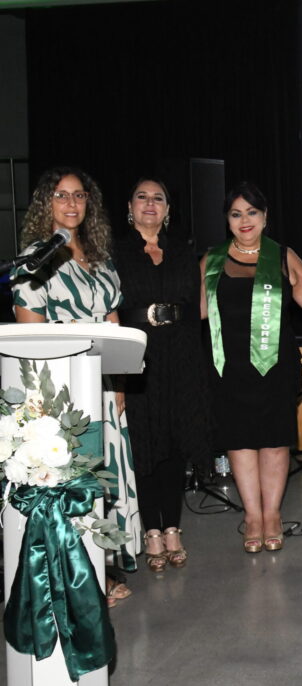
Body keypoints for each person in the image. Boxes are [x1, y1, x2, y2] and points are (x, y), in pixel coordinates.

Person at [11, 166, 142, 605]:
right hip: (60, 391)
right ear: (45, 203)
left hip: (101, 385)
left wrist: (119, 385)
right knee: (71, 482)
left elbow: (114, 324)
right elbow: (29, 333)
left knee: (102, 481)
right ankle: (74, 581)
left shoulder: (99, 258)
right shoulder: (36, 259)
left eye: (79, 195)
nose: (71, 203)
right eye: (61, 195)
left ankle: (99, 569)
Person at [200, 181, 302, 554]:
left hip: (275, 364)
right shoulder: (212, 260)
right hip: (229, 367)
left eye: (251, 212)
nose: (244, 220)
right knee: (240, 441)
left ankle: (272, 515)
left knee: (275, 441)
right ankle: (253, 516)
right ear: (227, 220)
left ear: (265, 216)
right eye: (236, 214)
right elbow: (195, 311)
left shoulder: (283, 256)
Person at [114, 177, 212, 572]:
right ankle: (151, 530)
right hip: (138, 356)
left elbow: (195, 310)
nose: (150, 203)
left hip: (181, 355)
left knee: (173, 444)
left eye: (158, 198)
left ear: (168, 210)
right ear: (130, 208)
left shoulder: (184, 251)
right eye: (142, 197)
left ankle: (172, 527)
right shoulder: (115, 253)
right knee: (144, 443)